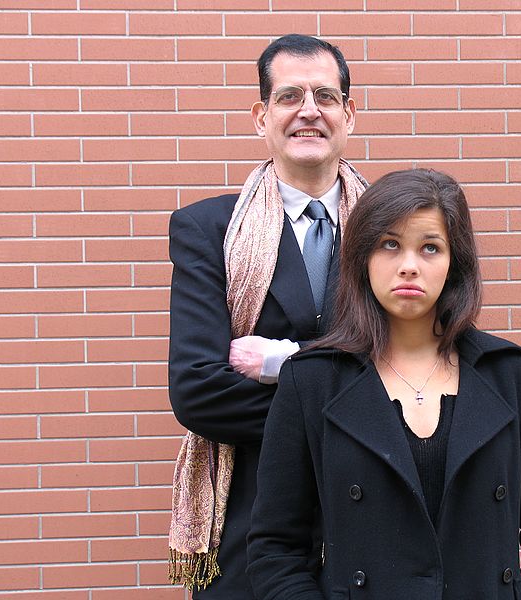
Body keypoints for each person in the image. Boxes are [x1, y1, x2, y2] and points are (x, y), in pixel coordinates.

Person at [247, 169, 521, 599]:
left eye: (430, 248)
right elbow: (277, 548)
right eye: (390, 244)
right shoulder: (312, 381)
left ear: (453, 262)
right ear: (363, 258)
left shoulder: (512, 375)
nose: (409, 266)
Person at [166, 34, 366, 598]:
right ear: (261, 117)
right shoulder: (208, 231)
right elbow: (198, 393)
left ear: (349, 113)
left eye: (326, 95)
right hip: (252, 528)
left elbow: (423, 364)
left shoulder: (395, 230)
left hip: (381, 521)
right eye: (289, 96)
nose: (309, 110)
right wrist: (361, 406)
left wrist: (285, 362)